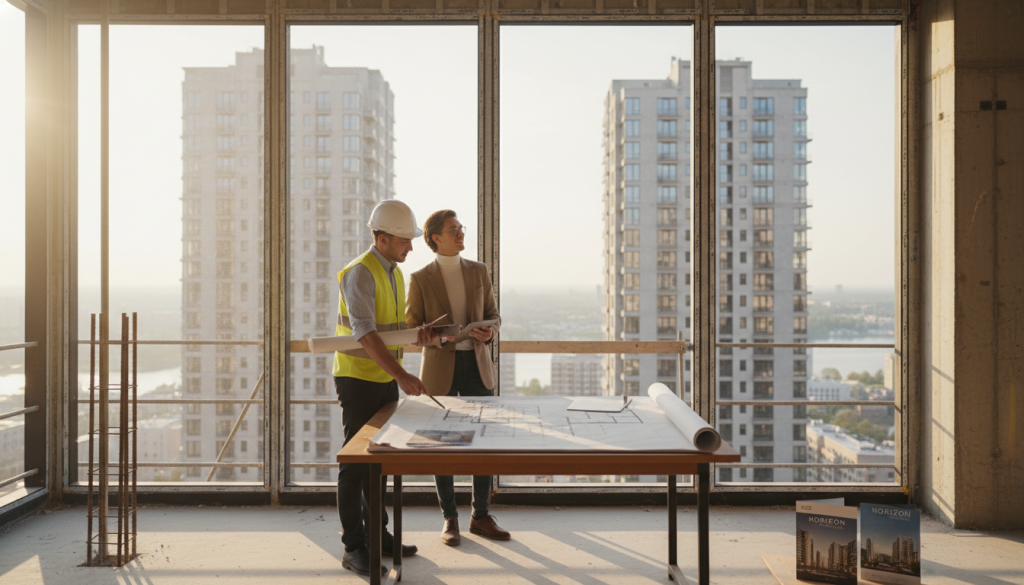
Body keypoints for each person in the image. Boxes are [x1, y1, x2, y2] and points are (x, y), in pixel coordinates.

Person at [334, 199, 436, 576]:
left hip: (382, 377)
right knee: (355, 465)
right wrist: (402, 376)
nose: (411, 246)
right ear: (381, 238)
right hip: (359, 379)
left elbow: (389, 331)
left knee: (378, 462)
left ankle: (380, 535)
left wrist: (418, 337)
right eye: (403, 240)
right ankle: (354, 547)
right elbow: (365, 334)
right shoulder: (360, 273)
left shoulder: (392, 271)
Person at [405, 209, 511, 546]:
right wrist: (438, 336)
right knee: (442, 444)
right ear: (436, 237)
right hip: (440, 368)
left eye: (461, 228)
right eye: (454, 229)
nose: (461, 233)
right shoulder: (421, 278)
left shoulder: (479, 271)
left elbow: (494, 315)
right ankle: (449, 518)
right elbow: (412, 327)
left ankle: (480, 515)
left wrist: (487, 332)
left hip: (477, 365)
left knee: (484, 443)